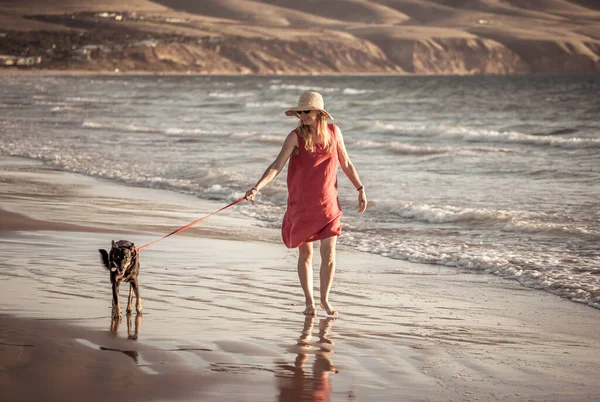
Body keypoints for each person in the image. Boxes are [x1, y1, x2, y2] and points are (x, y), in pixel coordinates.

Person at [245, 90, 367, 316]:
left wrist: (360, 188)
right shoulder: (295, 136)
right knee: (306, 255)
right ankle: (309, 302)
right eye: (300, 111)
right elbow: (276, 166)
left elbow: (347, 162)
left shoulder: (334, 132)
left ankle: (325, 299)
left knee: (329, 253)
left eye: (307, 111)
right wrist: (256, 188)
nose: (302, 115)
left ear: (319, 112)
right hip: (302, 203)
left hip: (328, 202)